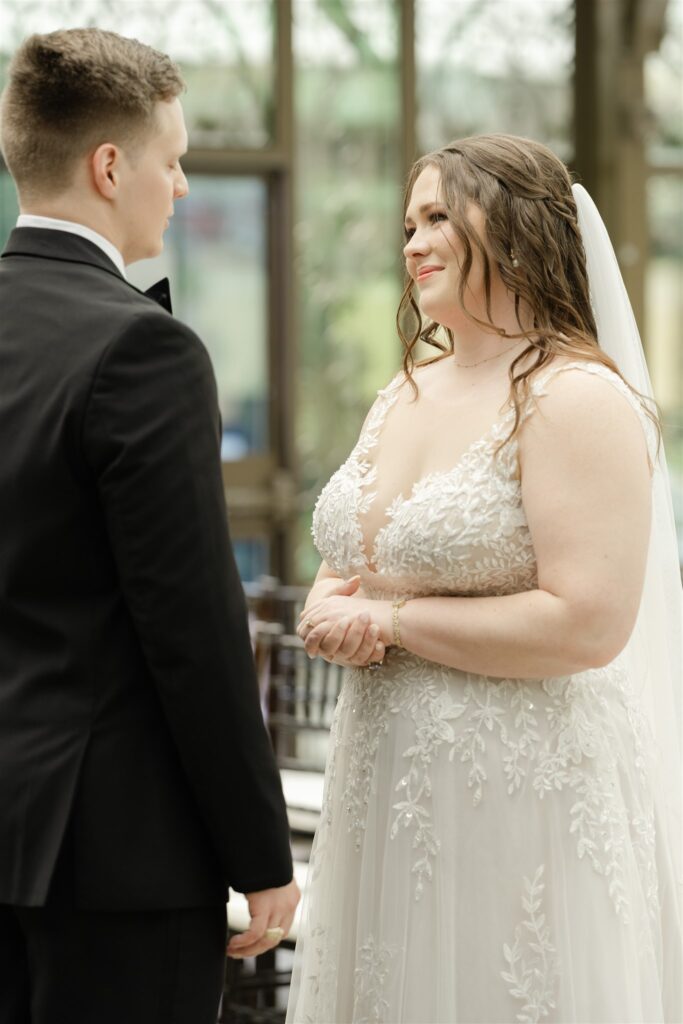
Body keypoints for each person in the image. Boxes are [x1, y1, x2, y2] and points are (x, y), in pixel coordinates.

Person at [286, 135, 681, 1022]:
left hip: (516, 787)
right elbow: (352, 562)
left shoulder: (571, 396)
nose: (412, 244)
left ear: (510, 232)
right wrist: (326, 606)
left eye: (436, 219)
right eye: (406, 224)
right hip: (384, 779)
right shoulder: (406, 389)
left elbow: (586, 623)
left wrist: (390, 625)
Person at [0, 28, 298, 1024]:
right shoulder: (143, 350)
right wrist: (261, 854)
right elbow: (195, 632)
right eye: (171, 162)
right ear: (109, 165)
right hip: (113, 864)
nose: (179, 188)